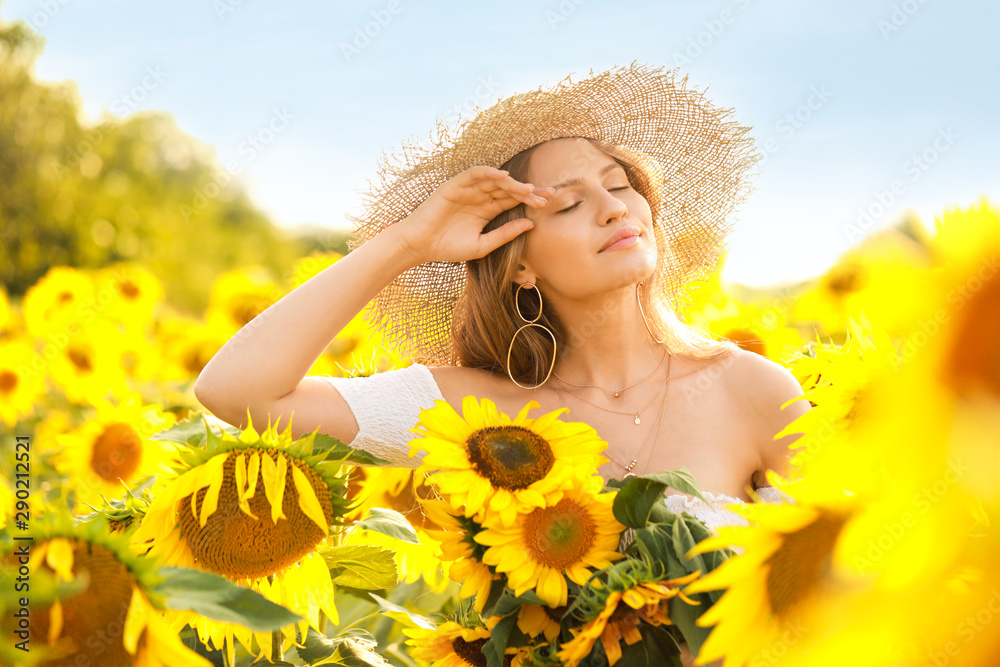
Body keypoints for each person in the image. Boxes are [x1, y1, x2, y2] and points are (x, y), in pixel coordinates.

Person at [194, 63, 810, 666]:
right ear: (520, 264)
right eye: (568, 205)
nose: (614, 208)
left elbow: (842, 598)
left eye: (620, 185)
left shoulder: (751, 390)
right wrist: (408, 242)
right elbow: (236, 391)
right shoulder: (476, 412)